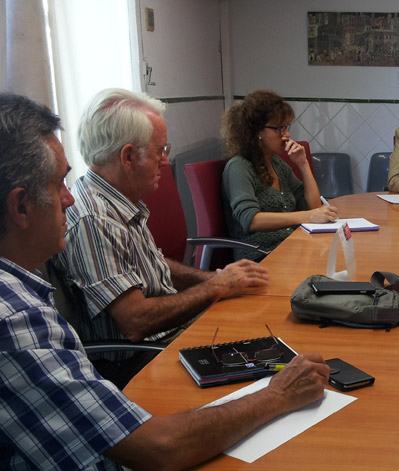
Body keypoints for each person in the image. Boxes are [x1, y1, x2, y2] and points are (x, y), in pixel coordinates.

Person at [0, 91, 333, 471]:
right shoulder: (11, 320)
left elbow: (153, 268)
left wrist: (213, 281)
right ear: (20, 205)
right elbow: (159, 449)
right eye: (59, 182)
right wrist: (278, 395)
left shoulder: (14, 287)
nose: (69, 196)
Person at [48, 88, 270, 387]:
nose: (166, 161)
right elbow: (136, 322)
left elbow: (149, 264)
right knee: (270, 367)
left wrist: (214, 280)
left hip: (167, 339)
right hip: (140, 361)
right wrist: (217, 287)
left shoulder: (118, 198)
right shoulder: (94, 219)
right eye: (160, 151)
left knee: (267, 333)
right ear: (128, 157)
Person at [221, 90, 338, 259]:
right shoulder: (239, 167)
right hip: (259, 256)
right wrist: (307, 216)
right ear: (257, 132)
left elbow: (312, 207)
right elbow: (251, 220)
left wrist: (303, 164)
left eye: (286, 127)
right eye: (279, 129)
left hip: (289, 248)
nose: (287, 135)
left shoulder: (277, 164)